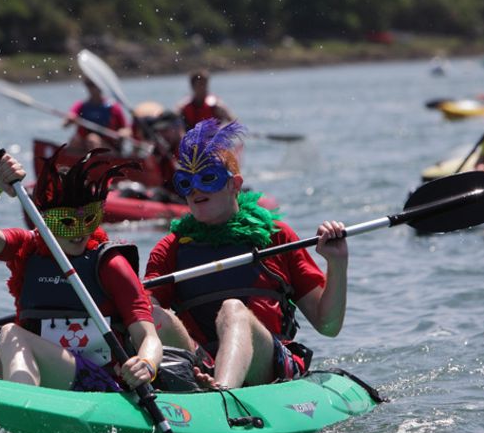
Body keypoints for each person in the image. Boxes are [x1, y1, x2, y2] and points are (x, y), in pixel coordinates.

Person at [0, 147, 163, 392]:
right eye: (66, 222)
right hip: (32, 367)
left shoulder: (111, 264)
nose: (80, 232)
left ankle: (22, 410)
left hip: (97, 382)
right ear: (45, 222)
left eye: (88, 220)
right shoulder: (27, 248)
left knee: (11, 332)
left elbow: (149, 338)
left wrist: (146, 363)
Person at [144, 119, 348, 389]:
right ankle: (180, 384)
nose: (195, 190)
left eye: (208, 178)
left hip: (267, 363)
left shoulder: (275, 236)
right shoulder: (170, 248)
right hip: (200, 363)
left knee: (233, 310)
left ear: (234, 185)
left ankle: (224, 393)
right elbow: (143, 317)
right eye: (186, 182)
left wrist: (337, 262)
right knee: (152, 315)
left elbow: (328, 325)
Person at [64, 78, 128, 154]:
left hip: (109, 148)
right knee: (74, 141)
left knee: (93, 139)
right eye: (89, 85)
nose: (92, 88)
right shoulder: (80, 106)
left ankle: (96, 163)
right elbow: (65, 124)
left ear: (101, 86)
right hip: (85, 146)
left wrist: (123, 133)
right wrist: (70, 119)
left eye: (94, 85)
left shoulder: (113, 107)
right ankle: (70, 162)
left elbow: (126, 129)